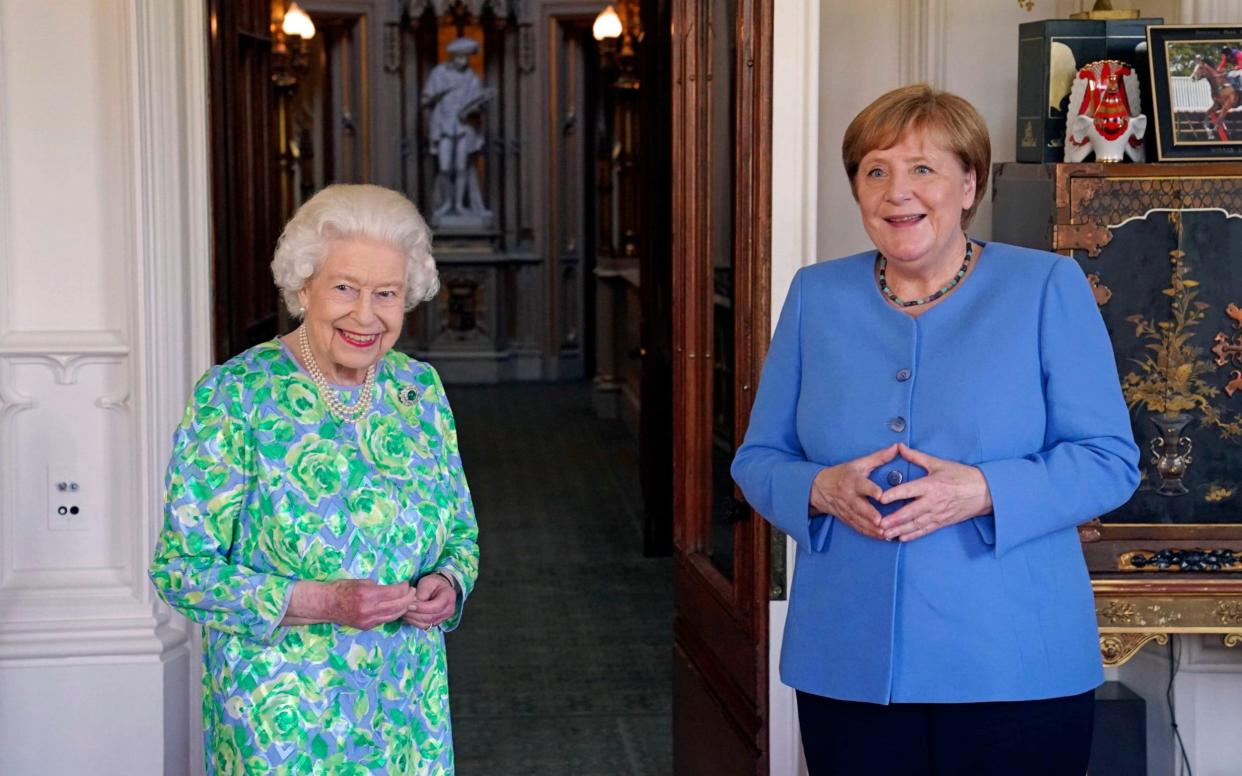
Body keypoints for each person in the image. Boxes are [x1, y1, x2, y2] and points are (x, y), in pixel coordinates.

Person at [731, 85, 1139, 775]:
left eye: (923, 168)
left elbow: (1108, 461)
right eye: (876, 170)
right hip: (850, 662)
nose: (899, 192)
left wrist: (982, 490)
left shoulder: (1045, 287)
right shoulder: (815, 296)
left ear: (969, 182)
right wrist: (820, 487)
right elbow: (758, 460)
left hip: (1016, 663)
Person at [149, 184, 479, 775]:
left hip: (407, 708)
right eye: (345, 288)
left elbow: (462, 536)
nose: (365, 314)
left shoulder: (418, 390)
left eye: (387, 294)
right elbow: (181, 571)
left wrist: (449, 584)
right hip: (283, 716)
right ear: (304, 288)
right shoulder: (235, 395)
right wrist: (325, 601)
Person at [421, 37, 496, 221]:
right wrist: (440, 93)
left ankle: (460, 205)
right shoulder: (439, 73)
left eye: (467, 57)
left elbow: (478, 103)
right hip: (444, 125)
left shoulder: (471, 77)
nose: (465, 61)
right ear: (453, 57)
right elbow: (425, 100)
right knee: (445, 167)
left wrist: (474, 109)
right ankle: (446, 203)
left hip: (464, 127)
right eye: (461, 57)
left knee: (462, 166)